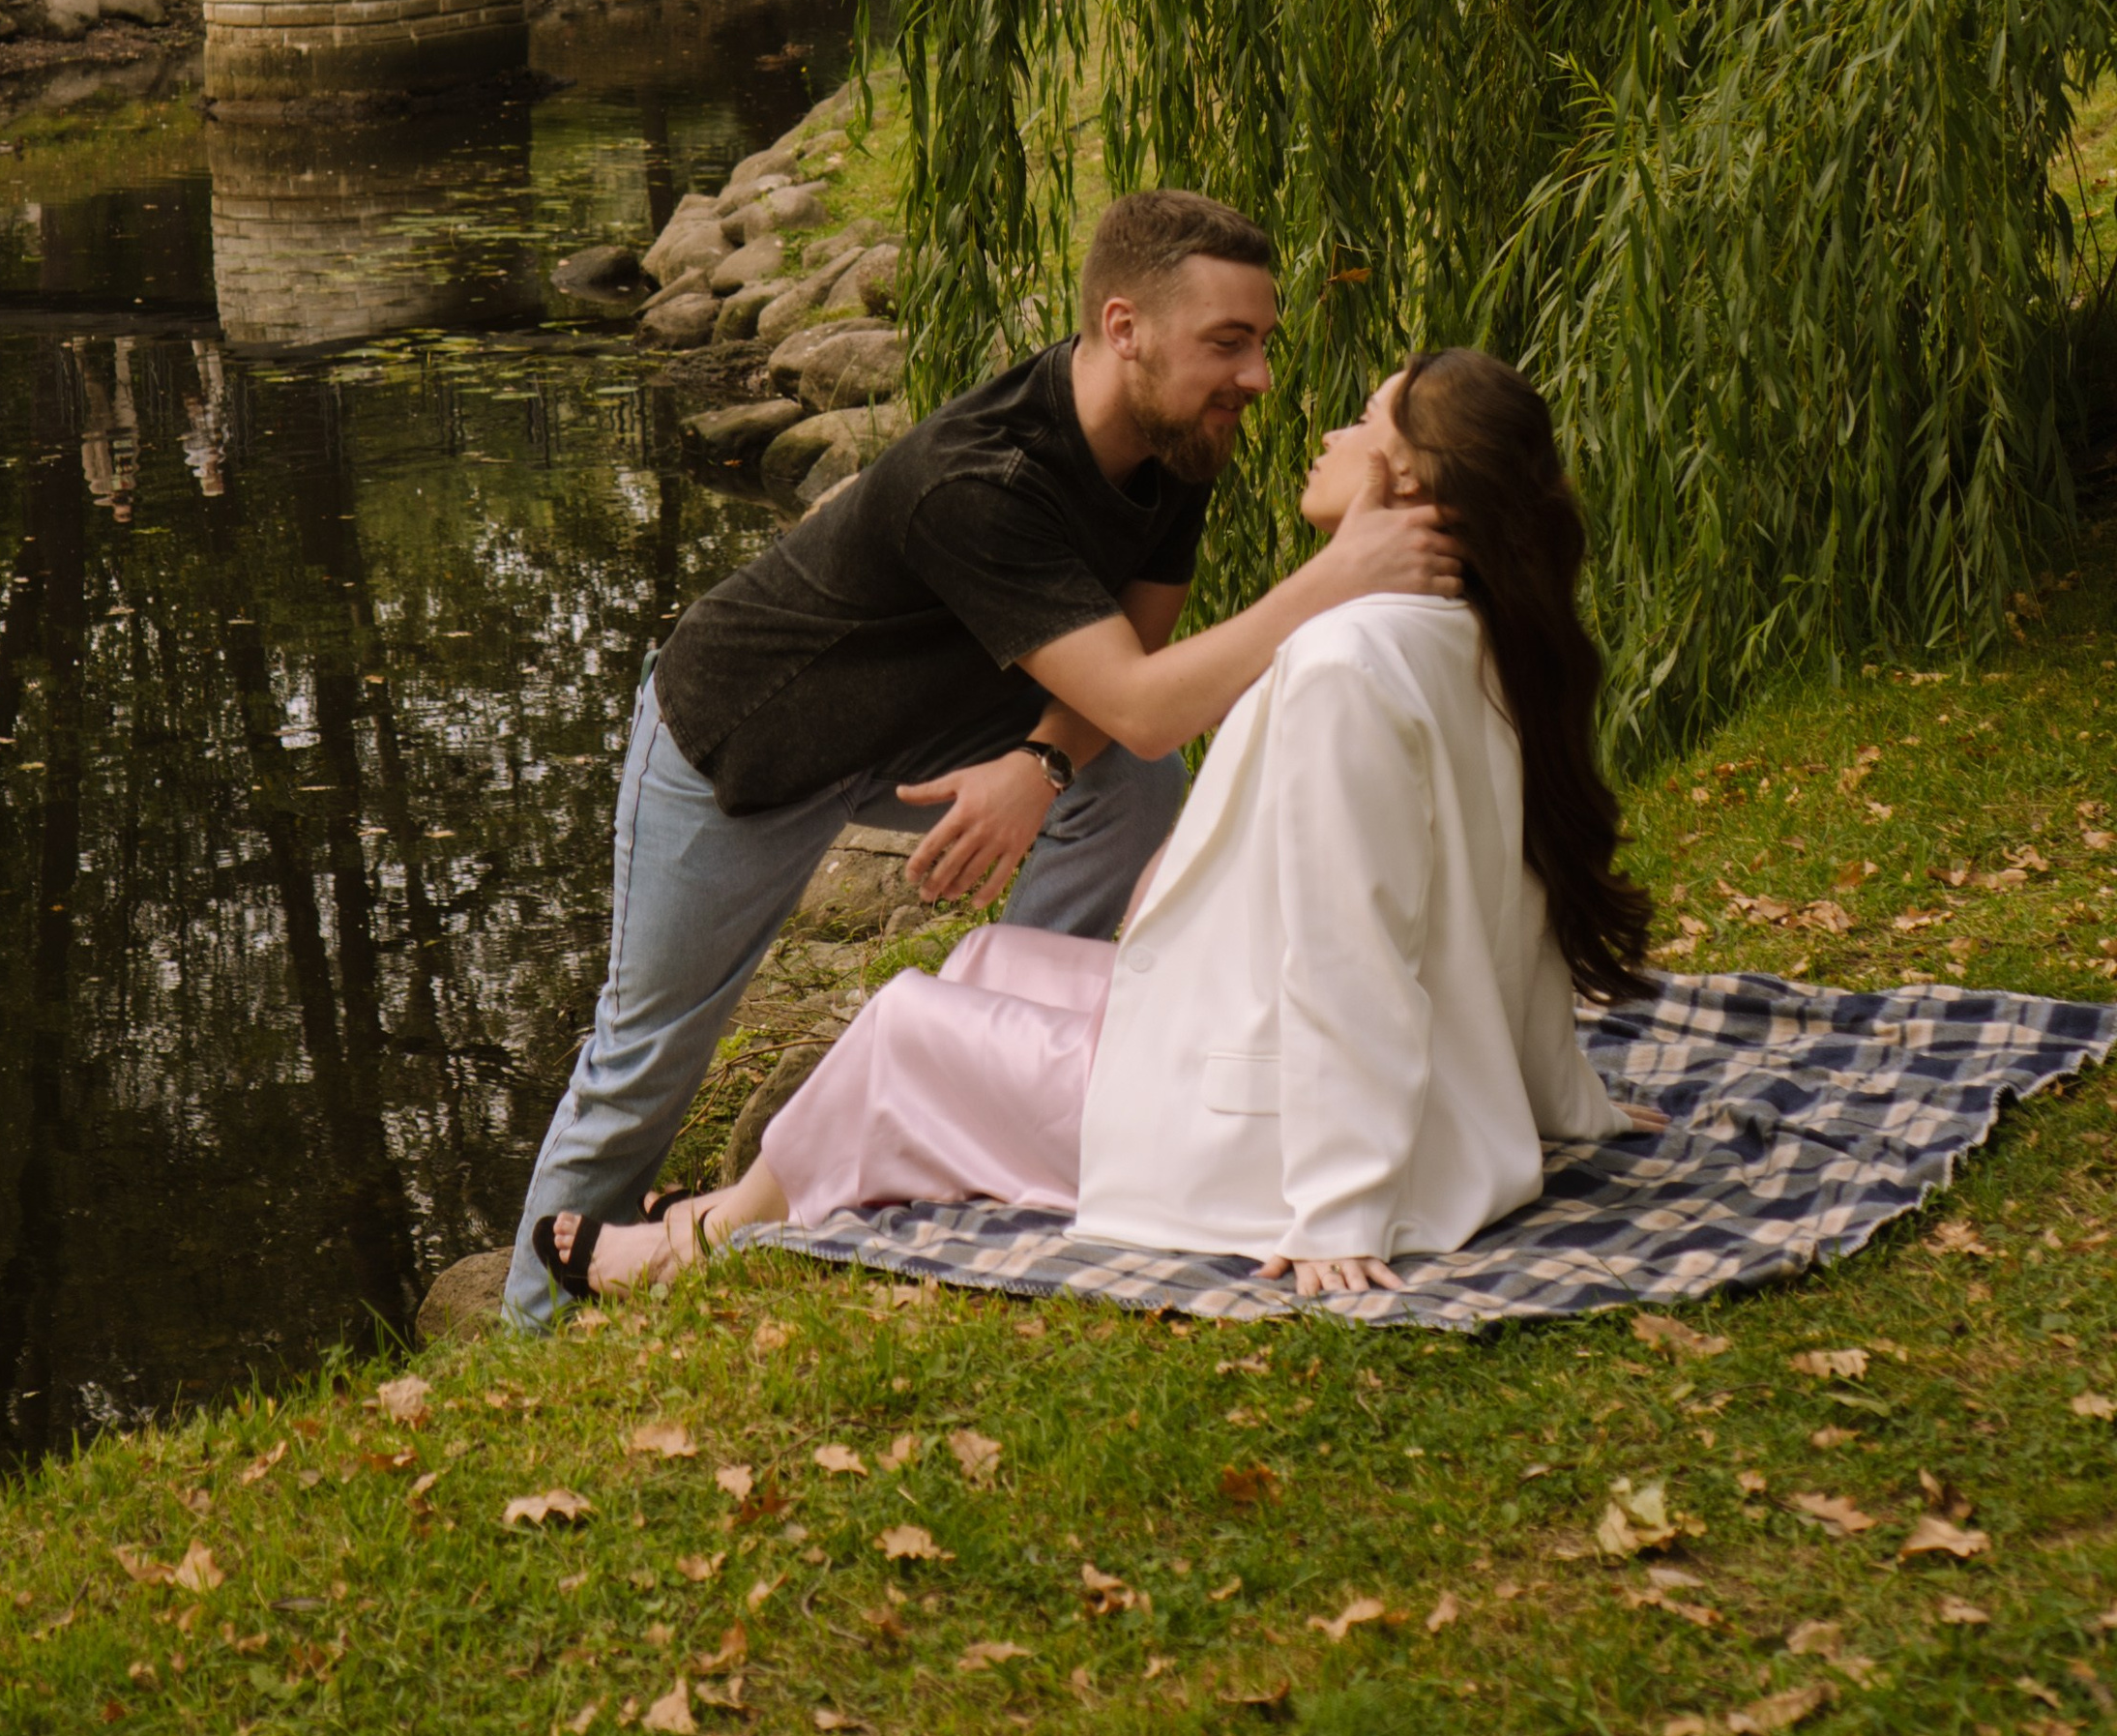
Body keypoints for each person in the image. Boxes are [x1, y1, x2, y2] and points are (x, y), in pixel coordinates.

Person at [506, 189, 1464, 1327]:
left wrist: (1043, 765)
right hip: (741, 748)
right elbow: (1150, 704)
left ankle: (994, 1092)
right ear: (1123, 328)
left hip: (919, 731)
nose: (1256, 376)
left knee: (1127, 784)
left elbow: (1137, 660)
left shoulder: (1174, 440)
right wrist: (1334, 578)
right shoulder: (985, 479)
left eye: (1260, 341)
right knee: (643, 1065)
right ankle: (531, 1329)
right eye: (1228, 342)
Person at [550, 347, 1653, 1301]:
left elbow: (1345, 950)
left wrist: (1340, 1210)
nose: (1322, 427)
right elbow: (1519, 896)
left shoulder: (1345, 663)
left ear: (1404, 480)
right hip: (1284, 1050)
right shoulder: (1468, 624)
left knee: (903, 1028)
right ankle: (746, 1196)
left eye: (1362, 421)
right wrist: (1559, 1102)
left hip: (1258, 1136)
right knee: (981, 957)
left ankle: (703, 1237)